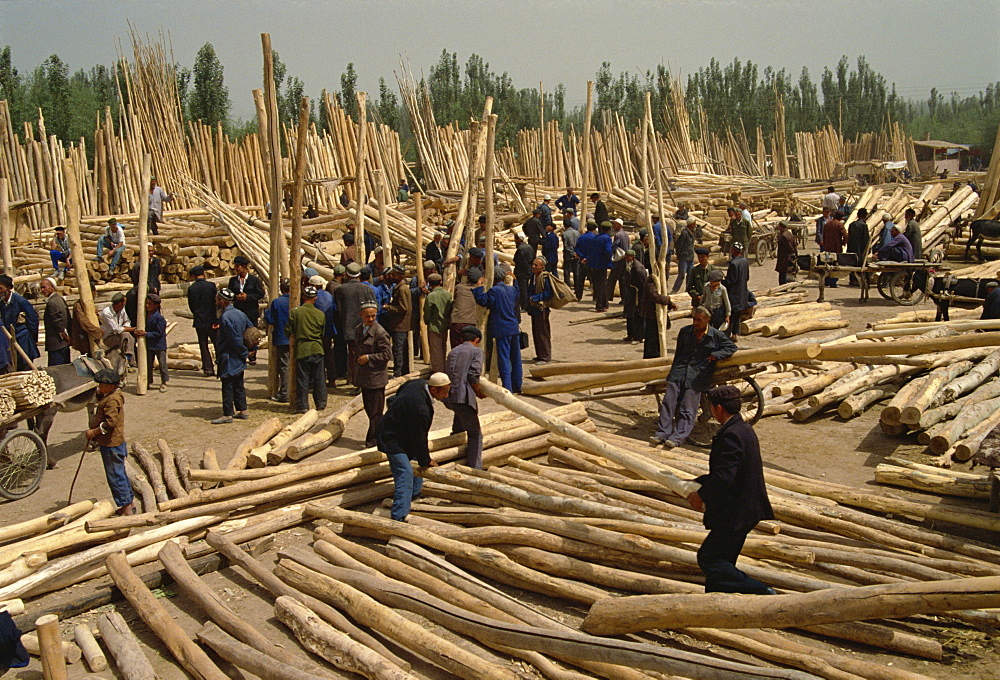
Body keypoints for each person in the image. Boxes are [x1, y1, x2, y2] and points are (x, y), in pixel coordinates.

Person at [686, 384, 775, 595]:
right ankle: (716, 600)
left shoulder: (731, 435)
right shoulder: (743, 428)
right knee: (723, 562)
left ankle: (762, 592)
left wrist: (700, 494)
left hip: (736, 511)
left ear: (718, 408)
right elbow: (725, 472)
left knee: (710, 558)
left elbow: (724, 478)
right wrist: (693, 483)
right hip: (744, 508)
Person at [652, 307, 737, 448]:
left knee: (688, 408)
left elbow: (731, 348)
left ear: (707, 320)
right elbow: (678, 354)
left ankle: (677, 438)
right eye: (694, 319)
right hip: (679, 372)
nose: (695, 322)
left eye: (699, 320)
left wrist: (716, 355)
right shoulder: (685, 332)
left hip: (698, 375)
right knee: (668, 403)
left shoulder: (715, 335)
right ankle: (662, 433)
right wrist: (673, 373)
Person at [377, 372, 451, 521]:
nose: (446, 396)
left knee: (417, 460)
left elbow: (399, 393)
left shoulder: (417, 383)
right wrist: (427, 461)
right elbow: (420, 439)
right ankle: (399, 517)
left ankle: (414, 495)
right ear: (434, 390)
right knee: (405, 474)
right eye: (445, 392)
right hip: (392, 438)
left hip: (406, 434)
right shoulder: (420, 409)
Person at [85, 368, 134, 516]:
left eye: (101, 385)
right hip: (114, 442)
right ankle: (129, 504)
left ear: (111, 386)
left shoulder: (112, 400)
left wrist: (94, 432)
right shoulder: (113, 395)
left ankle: (126, 508)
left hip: (111, 443)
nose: (99, 387)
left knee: (115, 475)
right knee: (120, 473)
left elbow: (110, 423)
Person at [473, 270, 522, 393]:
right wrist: (515, 280)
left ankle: (508, 388)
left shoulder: (494, 291)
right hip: (514, 327)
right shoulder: (511, 290)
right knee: (515, 358)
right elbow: (518, 292)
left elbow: (482, 300)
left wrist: (478, 287)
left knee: (504, 359)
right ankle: (517, 385)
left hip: (502, 329)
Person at [445, 326, 486, 468]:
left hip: (449, 396)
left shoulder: (453, 352)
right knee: (475, 434)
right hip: (463, 397)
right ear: (477, 339)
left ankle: (450, 457)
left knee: (459, 424)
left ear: (461, 339)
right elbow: (473, 375)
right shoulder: (476, 351)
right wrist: (479, 392)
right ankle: (475, 469)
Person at [352, 302, 392, 447]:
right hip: (365, 378)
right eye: (367, 316)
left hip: (376, 378)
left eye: (373, 316)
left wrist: (369, 358)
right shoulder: (359, 329)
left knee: (376, 412)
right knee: (370, 410)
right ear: (361, 315)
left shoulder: (380, 333)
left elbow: (387, 355)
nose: (370, 319)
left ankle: (374, 440)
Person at [211, 288, 252, 424]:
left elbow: (233, 338)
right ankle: (243, 410)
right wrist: (251, 349)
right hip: (238, 357)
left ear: (222, 302)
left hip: (229, 356)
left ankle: (228, 414)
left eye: (217, 300)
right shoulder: (240, 314)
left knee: (228, 385)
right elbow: (252, 331)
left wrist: (243, 351)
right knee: (239, 384)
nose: (216, 302)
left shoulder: (225, 317)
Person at [335, 262, 377, 387]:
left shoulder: (340, 290)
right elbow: (375, 306)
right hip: (366, 327)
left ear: (346, 274)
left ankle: (354, 380)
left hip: (349, 328)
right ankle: (365, 380)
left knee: (353, 355)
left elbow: (338, 310)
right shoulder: (367, 289)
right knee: (366, 353)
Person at [287, 285, 328, 413]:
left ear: (303, 297)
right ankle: (321, 403)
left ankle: (303, 405)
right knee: (319, 378)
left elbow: (288, 330)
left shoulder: (295, 312)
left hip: (302, 349)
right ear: (315, 298)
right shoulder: (320, 314)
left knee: (302, 379)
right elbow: (322, 332)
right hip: (317, 348)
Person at [228, 255, 266, 365]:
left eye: (238, 266)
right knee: (239, 334)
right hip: (238, 311)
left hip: (251, 311)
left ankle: (252, 355)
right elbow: (230, 294)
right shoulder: (233, 281)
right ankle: (242, 355)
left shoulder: (254, 280)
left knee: (252, 335)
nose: (236, 268)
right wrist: (236, 297)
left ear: (244, 267)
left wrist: (247, 297)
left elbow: (260, 294)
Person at [186, 265, 217, 376]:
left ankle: (208, 368)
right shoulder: (211, 286)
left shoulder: (191, 289)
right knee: (217, 343)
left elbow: (191, 306)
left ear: (194, 276)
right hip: (212, 319)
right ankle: (222, 365)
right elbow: (215, 303)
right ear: (203, 274)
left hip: (199, 321)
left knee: (203, 346)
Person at [263, 279, 291, 402]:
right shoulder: (298, 301)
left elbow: (271, 320)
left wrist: (266, 312)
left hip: (281, 338)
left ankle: (285, 393)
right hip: (296, 338)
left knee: (284, 367)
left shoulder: (277, 302)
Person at [639, 269, 677, 359]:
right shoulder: (651, 281)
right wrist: (667, 300)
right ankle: (652, 356)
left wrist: (669, 304)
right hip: (651, 314)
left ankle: (656, 354)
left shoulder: (661, 280)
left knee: (656, 336)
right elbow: (654, 296)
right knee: (652, 337)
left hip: (658, 313)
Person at [382, 265, 412, 377]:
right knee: (401, 349)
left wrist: (388, 307)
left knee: (398, 350)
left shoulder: (402, 289)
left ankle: (398, 374)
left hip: (400, 324)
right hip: (399, 324)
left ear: (400, 276)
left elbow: (403, 308)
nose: (392, 276)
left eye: (394, 275)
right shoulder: (399, 287)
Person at [137, 293, 168, 392]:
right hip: (149, 344)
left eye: (150, 304)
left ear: (156, 305)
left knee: (162, 364)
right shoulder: (144, 316)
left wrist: (146, 333)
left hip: (159, 344)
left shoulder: (159, 318)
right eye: (147, 303)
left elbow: (159, 333)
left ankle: (164, 382)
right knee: (148, 364)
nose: (147, 306)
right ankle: (148, 381)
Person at [423, 273, 452, 373]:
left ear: (430, 284)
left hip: (433, 327)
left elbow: (427, 313)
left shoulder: (430, 296)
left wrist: (427, 321)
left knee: (435, 352)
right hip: (444, 326)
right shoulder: (448, 295)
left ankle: (438, 373)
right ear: (441, 282)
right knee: (443, 350)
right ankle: (443, 370)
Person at [527, 258, 554, 363]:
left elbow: (548, 294)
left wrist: (535, 298)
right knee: (536, 332)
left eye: (536, 265)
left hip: (542, 309)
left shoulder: (545, 278)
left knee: (543, 333)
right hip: (534, 309)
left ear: (542, 267)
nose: (533, 267)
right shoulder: (533, 276)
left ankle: (545, 357)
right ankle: (539, 354)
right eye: (533, 264)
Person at [38, 277, 70, 366]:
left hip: (56, 343)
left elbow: (58, 323)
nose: (42, 290)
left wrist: (66, 337)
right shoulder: (59, 299)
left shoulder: (52, 303)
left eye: (44, 287)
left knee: (56, 370)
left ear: (52, 287)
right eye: (41, 287)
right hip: (62, 343)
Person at [98, 292, 137, 364]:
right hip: (108, 338)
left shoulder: (122, 310)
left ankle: (128, 358)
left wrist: (126, 327)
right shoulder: (107, 312)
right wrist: (131, 329)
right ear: (120, 303)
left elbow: (127, 320)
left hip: (119, 334)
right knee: (127, 337)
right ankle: (129, 359)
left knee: (127, 336)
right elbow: (115, 329)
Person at [723, 243, 750, 340]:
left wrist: (722, 281)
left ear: (733, 251)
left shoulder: (734, 264)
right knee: (737, 316)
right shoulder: (745, 261)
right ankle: (735, 334)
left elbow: (730, 281)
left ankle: (727, 335)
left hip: (734, 294)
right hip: (742, 293)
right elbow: (747, 278)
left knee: (730, 315)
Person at [586, 222, 614, 312]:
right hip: (602, 264)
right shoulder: (607, 239)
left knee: (597, 284)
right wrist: (610, 260)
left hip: (594, 264)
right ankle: (600, 305)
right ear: (609, 229)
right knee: (602, 284)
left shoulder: (595, 238)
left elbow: (590, 250)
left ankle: (604, 303)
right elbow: (608, 251)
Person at [450, 268, 480, 349]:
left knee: (456, 348)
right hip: (470, 322)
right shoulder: (479, 290)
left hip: (457, 321)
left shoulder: (459, 287)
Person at [71, 281, 103, 357]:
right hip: (84, 339)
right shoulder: (78, 306)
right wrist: (98, 331)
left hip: (93, 338)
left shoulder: (90, 304)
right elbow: (84, 323)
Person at [621, 250, 646, 344]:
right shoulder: (628, 265)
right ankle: (631, 335)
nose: (627, 258)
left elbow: (642, 284)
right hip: (630, 293)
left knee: (638, 315)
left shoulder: (638, 268)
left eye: (628, 256)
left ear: (633, 257)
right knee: (630, 314)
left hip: (637, 295)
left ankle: (639, 336)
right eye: (626, 256)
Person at [821, 211, 848, 288]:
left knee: (827, 264)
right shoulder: (839, 225)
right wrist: (843, 243)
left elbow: (824, 236)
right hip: (836, 248)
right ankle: (833, 282)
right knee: (835, 265)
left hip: (827, 247)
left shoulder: (827, 224)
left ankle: (826, 281)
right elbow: (845, 235)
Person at [607, 218, 630, 302]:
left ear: (620, 225)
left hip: (618, 260)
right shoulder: (626, 234)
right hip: (625, 259)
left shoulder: (618, 235)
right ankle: (624, 298)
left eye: (615, 224)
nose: (613, 226)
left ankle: (608, 297)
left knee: (612, 279)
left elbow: (615, 246)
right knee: (622, 280)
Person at [574, 220, 597, 302]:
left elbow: (576, 248)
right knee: (594, 280)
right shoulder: (595, 238)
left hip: (582, 262)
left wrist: (582, 257)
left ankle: (578, 296)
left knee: (581, 280)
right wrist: (588, 258)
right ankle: (595, 296)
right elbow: (595, 250)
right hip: (592, 262)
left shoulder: (581, 237)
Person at [673, 218, 697, 293]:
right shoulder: (684, 233)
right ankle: (675, 290)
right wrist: (678, 255)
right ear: (691, 224)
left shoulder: (692, 232)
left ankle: (688, 290)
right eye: (694, 223)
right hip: (684, 257)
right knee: (682, 275)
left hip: (690, 257)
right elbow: (679, 245)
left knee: (690, 275)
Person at [513, 231, 535, 310]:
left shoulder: (520, 249)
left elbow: (518, 260)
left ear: (519, 239)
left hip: (521, 272)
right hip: (528, 270)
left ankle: (524, 306)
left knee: (522, 289)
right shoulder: (529, 247)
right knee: (526, 287)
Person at [559, 213, 581, 290]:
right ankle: (577, 286)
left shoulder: (564, 234)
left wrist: (572, 253)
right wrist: (576, 253)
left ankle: (567, 287)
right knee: (576, 272)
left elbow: (566, 246)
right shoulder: (577, 233)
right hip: (577, 255)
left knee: (567, 271)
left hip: (568, 255)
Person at [775, 220, 798, 286]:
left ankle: (783, 288)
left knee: (783, 274)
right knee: (787, 272)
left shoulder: (783, 236)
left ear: (781, 227)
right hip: (787, 257)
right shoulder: (789, 233)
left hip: (784, 257)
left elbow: (789, 247)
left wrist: (791, 254)